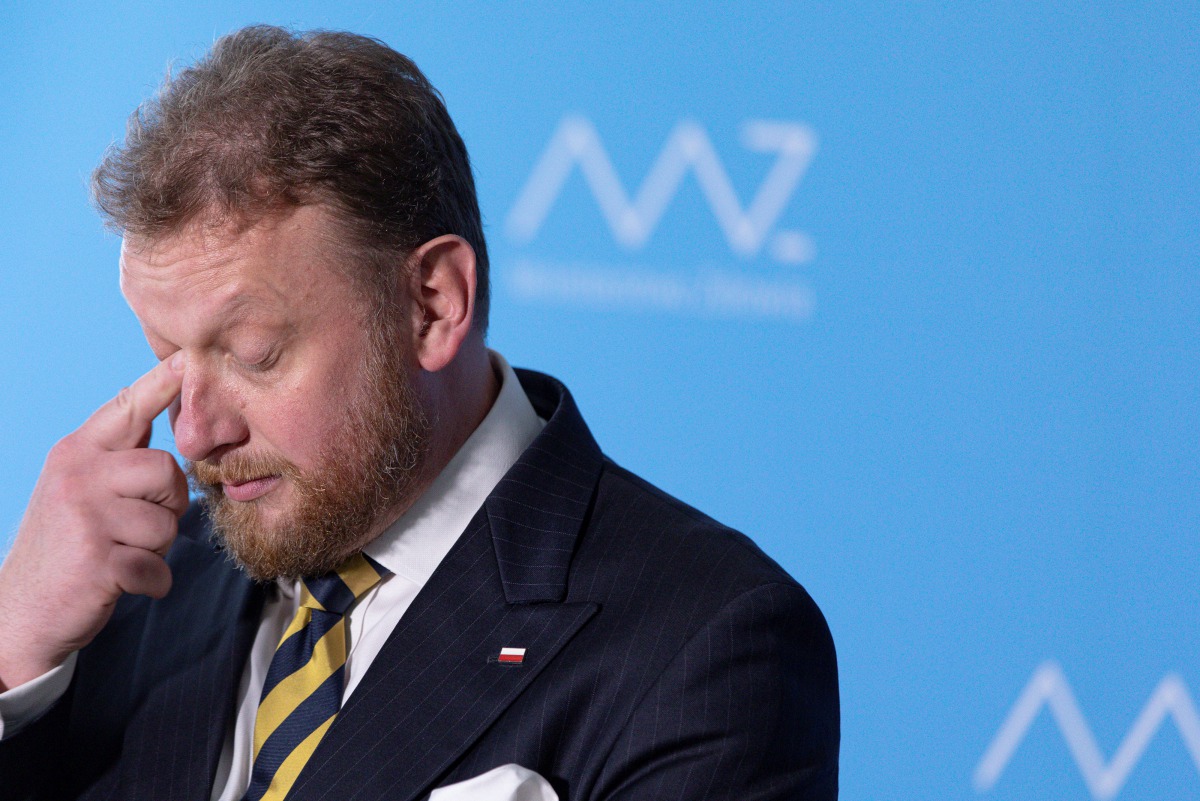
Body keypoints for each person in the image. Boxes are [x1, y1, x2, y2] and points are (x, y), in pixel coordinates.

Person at [0, 25, 839, 801]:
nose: (194, 434)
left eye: (253, 352)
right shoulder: (130, 593)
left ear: (434, 305)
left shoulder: (708, 644)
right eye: (167, 363)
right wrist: (11, 656)